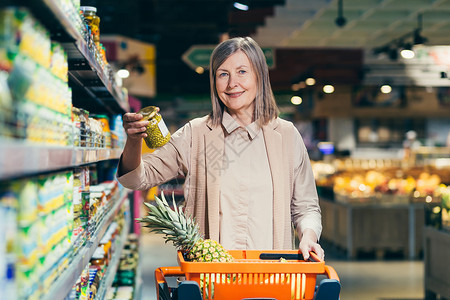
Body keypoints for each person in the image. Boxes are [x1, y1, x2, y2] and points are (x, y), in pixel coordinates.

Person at [117, 37, 324, 260]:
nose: (232, 83)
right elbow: (134, 179)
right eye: (223, 74)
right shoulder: (195, 134)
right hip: (211, 279)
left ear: (260, 76)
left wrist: (309, 236)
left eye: (242, 72)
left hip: (271, 276)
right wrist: (134, 140)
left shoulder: (286, 136)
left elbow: (306, 207)